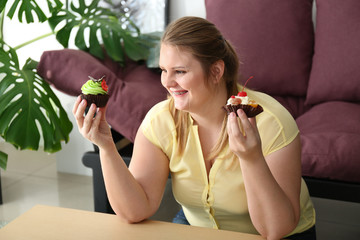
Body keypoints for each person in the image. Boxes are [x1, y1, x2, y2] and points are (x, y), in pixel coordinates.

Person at [73, 16, 316, 240]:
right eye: (164, 71)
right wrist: (105, 146)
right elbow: (135, 210)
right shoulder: (161, 119)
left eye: (180, 71)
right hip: (197, 227)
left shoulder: (270, 122)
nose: (167, 83)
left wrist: (251, 158)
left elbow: (276, 230)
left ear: (216, 71)